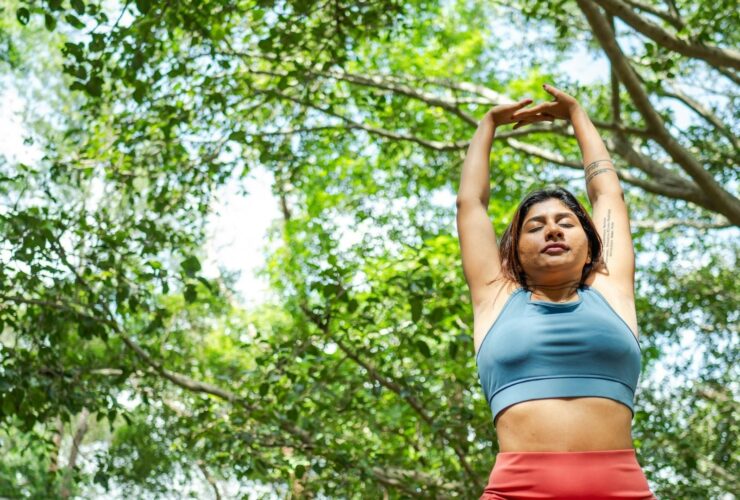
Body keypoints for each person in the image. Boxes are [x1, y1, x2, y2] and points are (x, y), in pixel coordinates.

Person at [456, 83, 658, 499]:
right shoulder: (495, 298)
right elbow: (470, 205)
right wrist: (488, 124)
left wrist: (578, 115)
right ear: (515, 250)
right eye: (535, 226)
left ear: (589, 246)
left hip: (620, 490)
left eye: (565, 223)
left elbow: (607, 193)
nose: (552, 229)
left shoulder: (610, 289)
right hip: (516, 490)